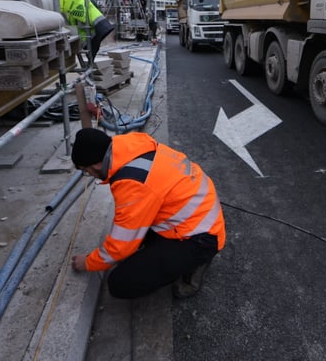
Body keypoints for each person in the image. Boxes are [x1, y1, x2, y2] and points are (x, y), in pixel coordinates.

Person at [70, 128, 226, 299]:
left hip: (201, 238)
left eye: (86, 171)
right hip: (196, 216)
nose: (90, 175)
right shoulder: (132, 146)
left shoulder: (132, 182)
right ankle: (171, 256)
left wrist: (87, 263)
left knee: (120, 283)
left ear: (96, 164)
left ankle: (195, 263)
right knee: (133, 238)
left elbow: (119, 247)